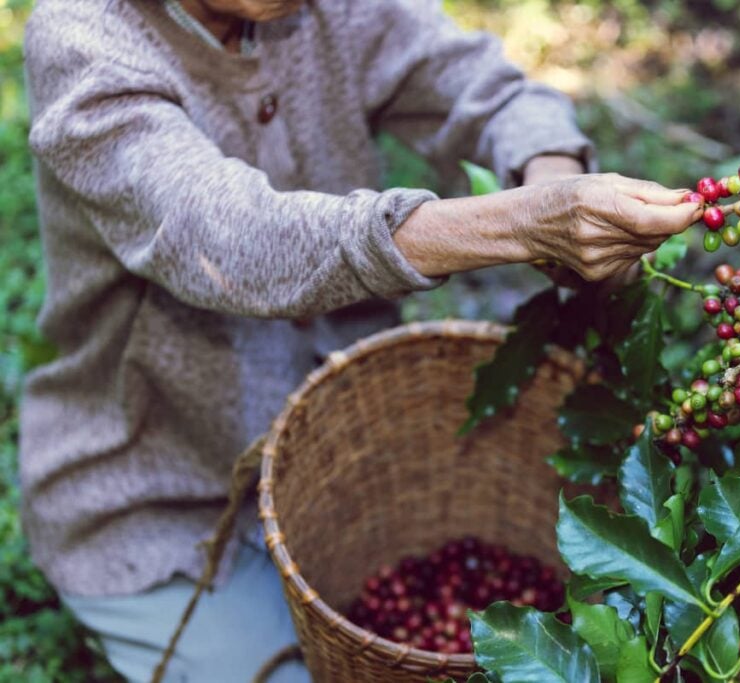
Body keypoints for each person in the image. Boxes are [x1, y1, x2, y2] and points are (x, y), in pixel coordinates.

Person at [19, 0, 702, 679]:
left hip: (350, 447)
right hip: (158, 500)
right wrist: (513, 224)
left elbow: (487, 89)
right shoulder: (85, 37)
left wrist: (549, 176)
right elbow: (226, 242)